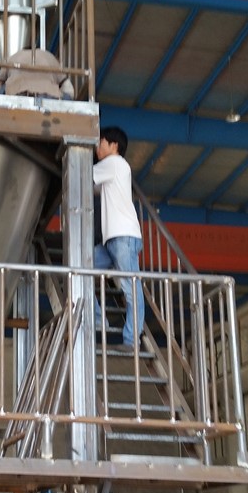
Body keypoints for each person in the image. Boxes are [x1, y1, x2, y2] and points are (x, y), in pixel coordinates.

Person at [93, 126, 144, 352]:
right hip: (113, 240)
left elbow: (81, 174)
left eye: (100, 142)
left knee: (130, 288)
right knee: (80, 270)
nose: (97, 147)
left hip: (123, 236)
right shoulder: (113, 169)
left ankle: (132, 341)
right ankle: (98, 320)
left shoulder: (113, 163)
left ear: (114, 146)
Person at [0, 47, 74, 100]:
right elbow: (68, 88)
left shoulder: (12, 58)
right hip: (48, 96)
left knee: (3, 87)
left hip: (18, 95)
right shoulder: (49, 56)